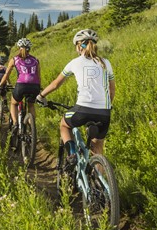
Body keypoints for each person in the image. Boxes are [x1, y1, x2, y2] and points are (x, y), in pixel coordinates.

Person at [36, 29, 115, 164]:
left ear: (79, 46)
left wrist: (41, 95)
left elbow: (56, 84)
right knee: (97, 148)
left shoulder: (75, 62)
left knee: (64, 125)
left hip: (82, 109)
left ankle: (72, 154)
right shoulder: (105, 62)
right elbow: (112, 89)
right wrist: (108, 105)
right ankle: (98, 180)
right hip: (104, 113)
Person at [0, 38, 41, 126]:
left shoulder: (14, 59)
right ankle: (31, 127)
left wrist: (0, 85)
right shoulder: (36, 60)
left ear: (19, 48)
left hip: (21, 85)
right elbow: (38, 76)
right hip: (35, 86)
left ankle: (15, 124)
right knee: (31, 105)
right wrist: (39, 87)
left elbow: (6, 75)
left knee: (14, 103)